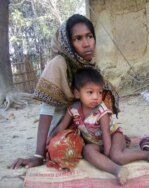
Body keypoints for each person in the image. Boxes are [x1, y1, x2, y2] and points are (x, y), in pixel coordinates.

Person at [10, 14, 119, 169]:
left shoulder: (89, 64)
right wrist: (38, 155)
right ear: (68, 42)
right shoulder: (58, 64)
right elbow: (46, 109)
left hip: (88, 125)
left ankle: (98, 142)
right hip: (67, 125)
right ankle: (91, 145)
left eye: (89, 36)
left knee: (104, 92)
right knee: (59, 151)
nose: (86, 44)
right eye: (78, 39)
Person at [52, 67, 149, 185]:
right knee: (87, 151)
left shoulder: (101, 110)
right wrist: (50, 140)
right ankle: (117, 170)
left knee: (116, 156)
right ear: (77, 94)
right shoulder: (73, 109)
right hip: (96, 142)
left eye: (99, 92)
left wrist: (108, 153)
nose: (96, 97)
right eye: (90, 92)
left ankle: (145, 154)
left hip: (114, 136)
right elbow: (61, 127)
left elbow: (106, 133)